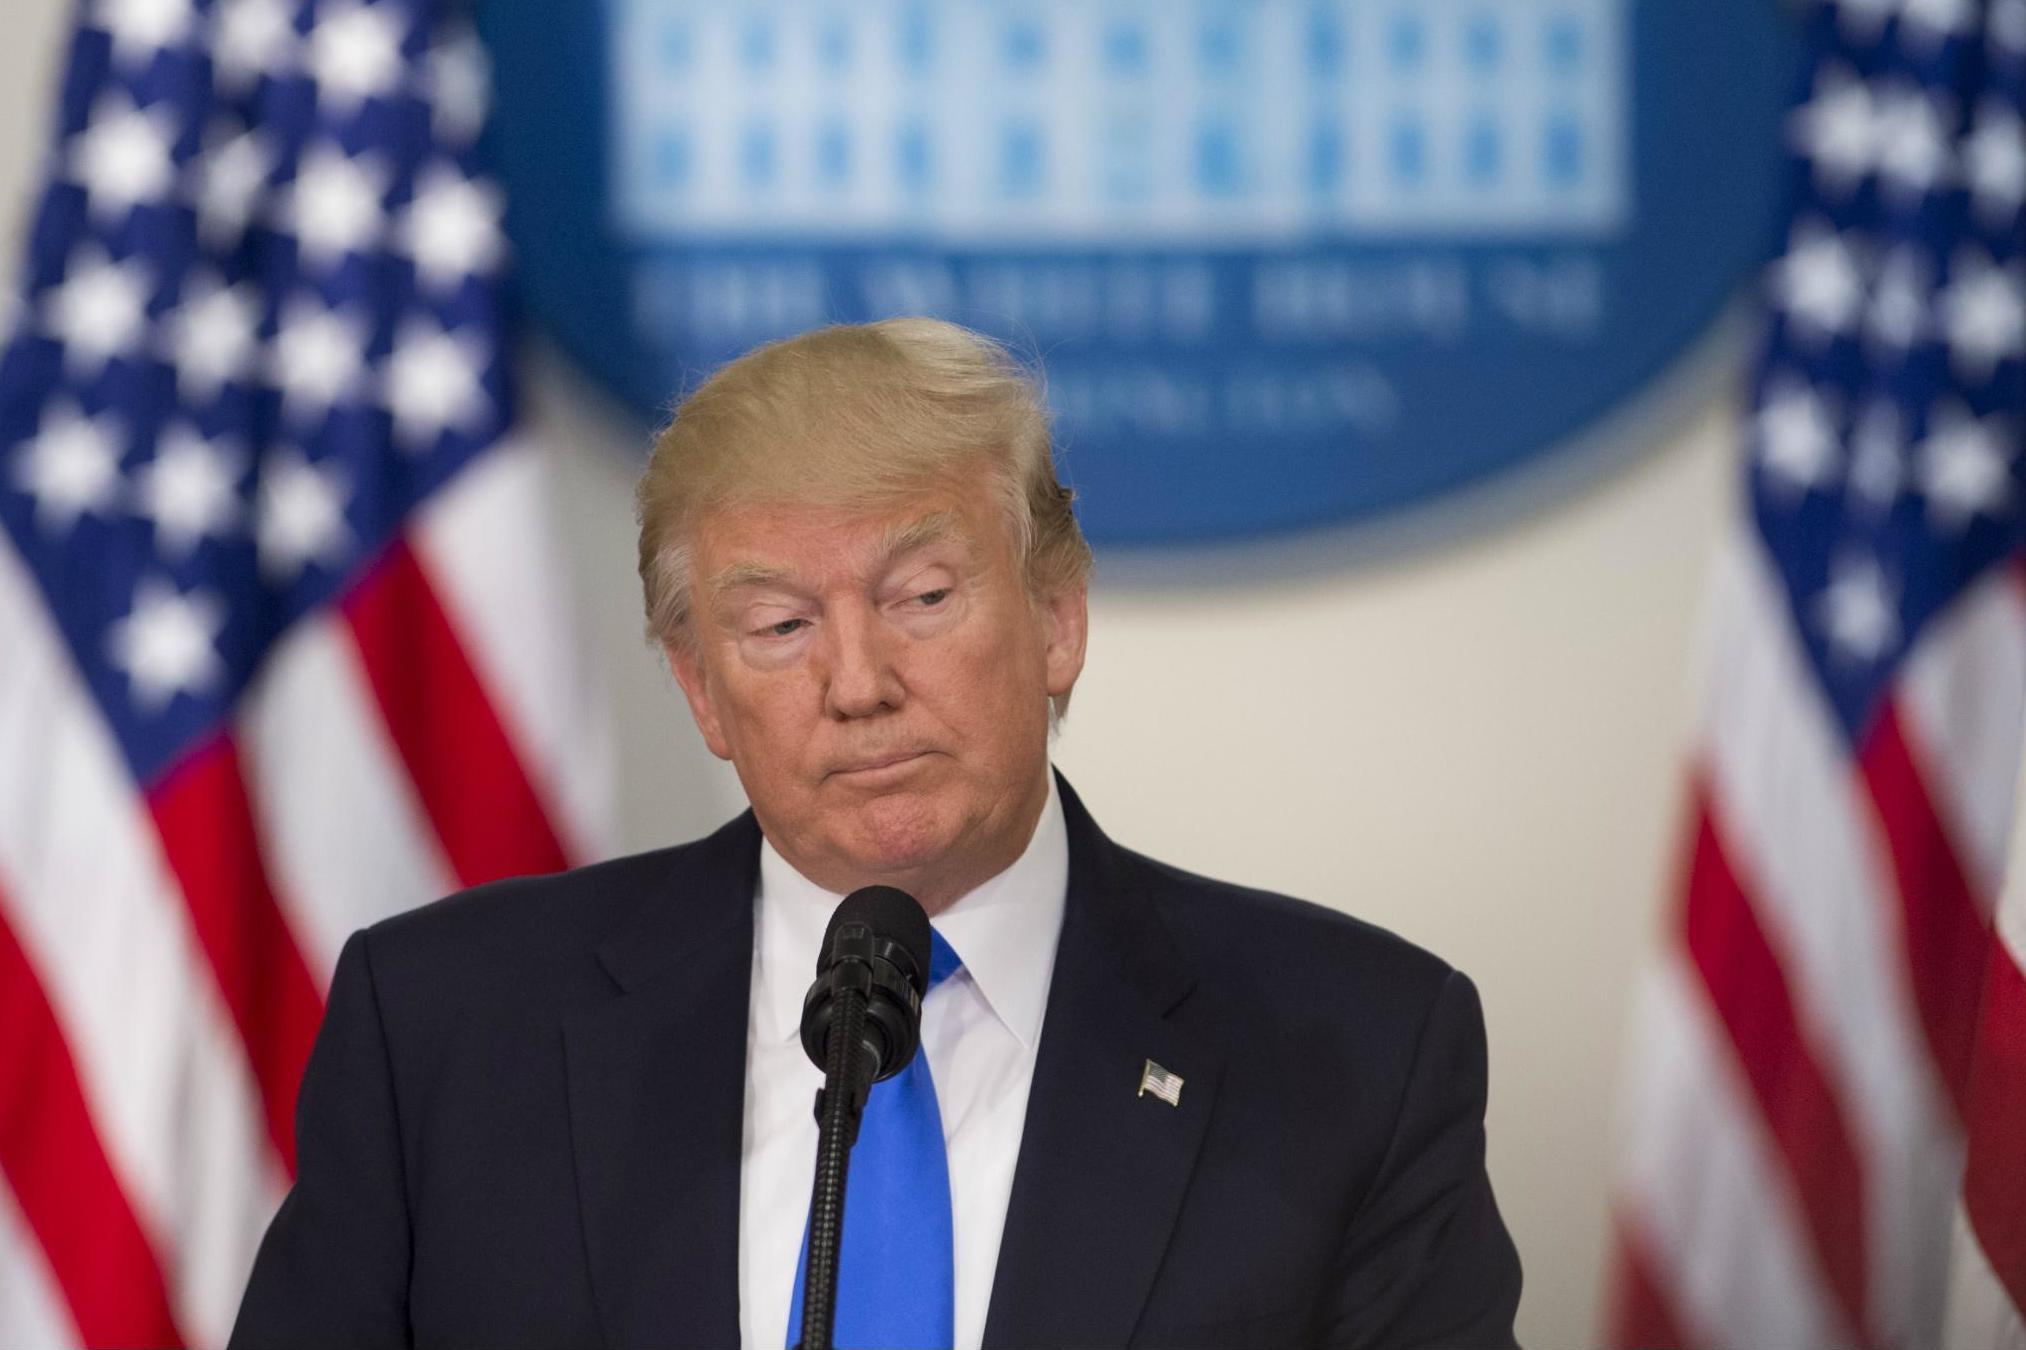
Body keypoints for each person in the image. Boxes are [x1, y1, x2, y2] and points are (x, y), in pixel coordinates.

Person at [230, 318, 1522, 1350]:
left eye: (920, 594)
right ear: (699, 686)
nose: (857, 681)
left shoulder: (1356, 1054)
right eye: (780, 625)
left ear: (1057, 614)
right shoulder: (445, 1033)